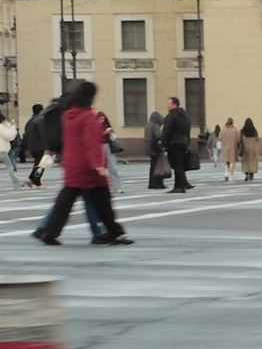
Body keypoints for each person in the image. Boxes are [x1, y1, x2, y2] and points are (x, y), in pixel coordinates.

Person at [32, 81, 129, 245]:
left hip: (72, 163)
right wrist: (98, 165)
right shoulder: (88, 117)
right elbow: (90, 143)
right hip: (88, 167)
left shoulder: (67, 115)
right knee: (103, 202)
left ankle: (49, 232)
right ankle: (113, 232)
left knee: (65, 202)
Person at [162, 97, 195, 192]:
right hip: (183, 143)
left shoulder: (171, 116)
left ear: (174, 105)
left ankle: (178, 187)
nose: (167, 106)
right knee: (180, 165)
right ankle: (183, 184)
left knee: (176, 165)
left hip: (173, 144)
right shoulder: (185, 116)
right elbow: (188, 130)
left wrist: (163, 144)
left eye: (169, 104)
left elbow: (166, 131)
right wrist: (187, 142)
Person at [22, 102, 51, 187]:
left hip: (31, 145)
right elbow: (43, 134)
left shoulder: (30, 121)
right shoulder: (40, 120)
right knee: (41, 164)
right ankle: (35, 181)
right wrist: (47, 147)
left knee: (38, 163)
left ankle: (32, 179)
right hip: (39, 145)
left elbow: (26, 133)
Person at [144, 108, 168, 189]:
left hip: (148, 147)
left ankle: (152, 183)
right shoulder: (155, 125)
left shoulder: (147, 125)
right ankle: (157, 183)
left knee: (152, 166)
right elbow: (158, 135)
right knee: (157, 166)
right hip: (155, 148)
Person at [220, 118, 244, 183]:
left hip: (224, 147)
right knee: (232, 161)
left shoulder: (223, 130)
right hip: (233, 147)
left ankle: (226, 173)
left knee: (226, 161)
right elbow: (238, 139)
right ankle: (231, 173)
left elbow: (220, 138)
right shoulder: (236, 130)